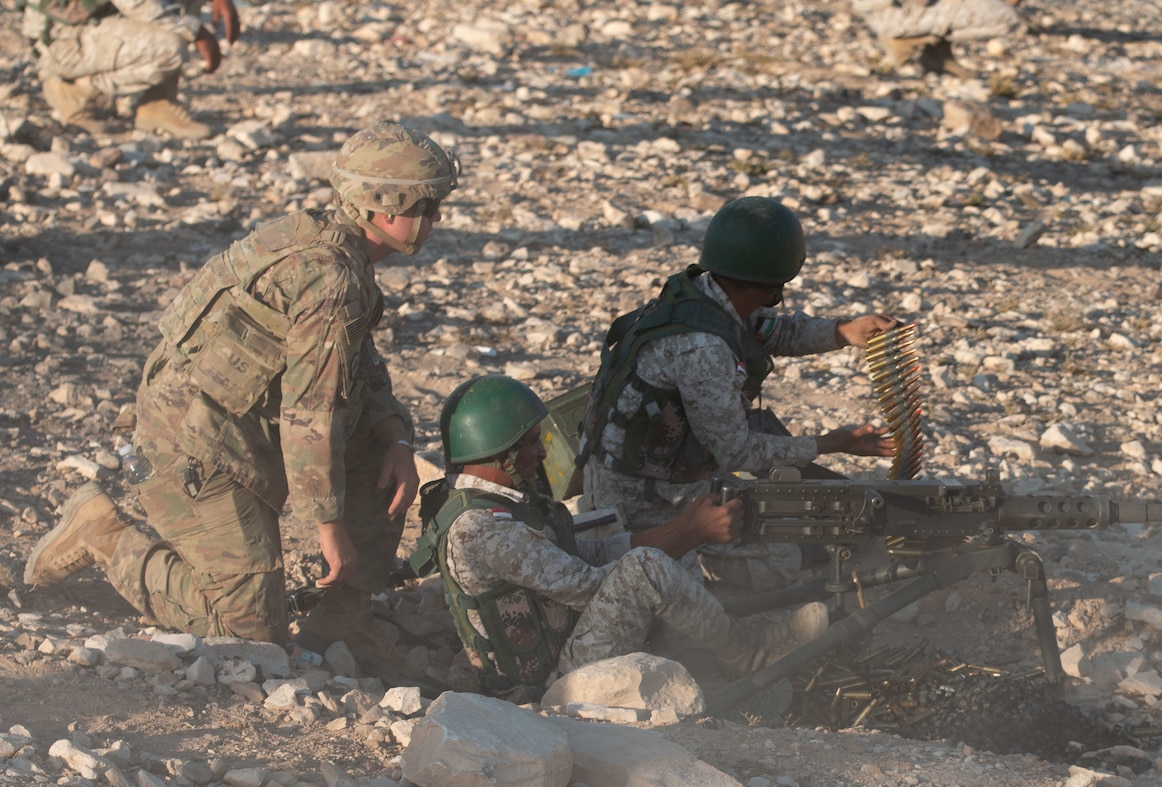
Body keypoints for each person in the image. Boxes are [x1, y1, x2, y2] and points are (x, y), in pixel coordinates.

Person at [25, 121, 456, 681]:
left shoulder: (339, 253)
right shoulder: (329, 278)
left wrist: (396, 436)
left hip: (240, 426)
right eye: (428, 205)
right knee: (251, 636)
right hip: (192, 449)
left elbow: (358, 367)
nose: (436, 221)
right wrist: (328, 528)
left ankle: (344, 621)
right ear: (383, 204)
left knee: (383, 459)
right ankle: (103, 536)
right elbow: (311, 415)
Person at [412, 375, 829, 694]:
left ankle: (695, 660)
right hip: (549, 683)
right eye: (532, 443)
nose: (541, 454)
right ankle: (748, 652)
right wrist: (666, 547)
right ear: (501, 450)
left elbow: (584, 550)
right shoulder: (483, 528)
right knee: (646, 568)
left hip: (562, 644)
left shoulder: (497, 503)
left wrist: (684, 532)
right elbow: (587, 586)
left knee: (668, 555)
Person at [577, 195, 896, 590]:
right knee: (781, 560)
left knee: (786, 508)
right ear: (773, 286)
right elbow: (738, 452)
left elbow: (771, 331)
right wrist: (833, 442)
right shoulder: (703, 350)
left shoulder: (700, 293)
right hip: (643, 499)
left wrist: (842, 332)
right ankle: (701, 578)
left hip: (649, 472)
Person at [21, 0, 241, 140]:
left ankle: (158, 104)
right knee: (169, 47)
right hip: (61, 40)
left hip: (91, 23)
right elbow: (138, 4)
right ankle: (72, 88)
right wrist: (197, 32)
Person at [851, 0, 1023, 75]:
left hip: (879, 13)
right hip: (899, 15)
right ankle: (908, 40)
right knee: (1008, 18)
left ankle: (937, 53)